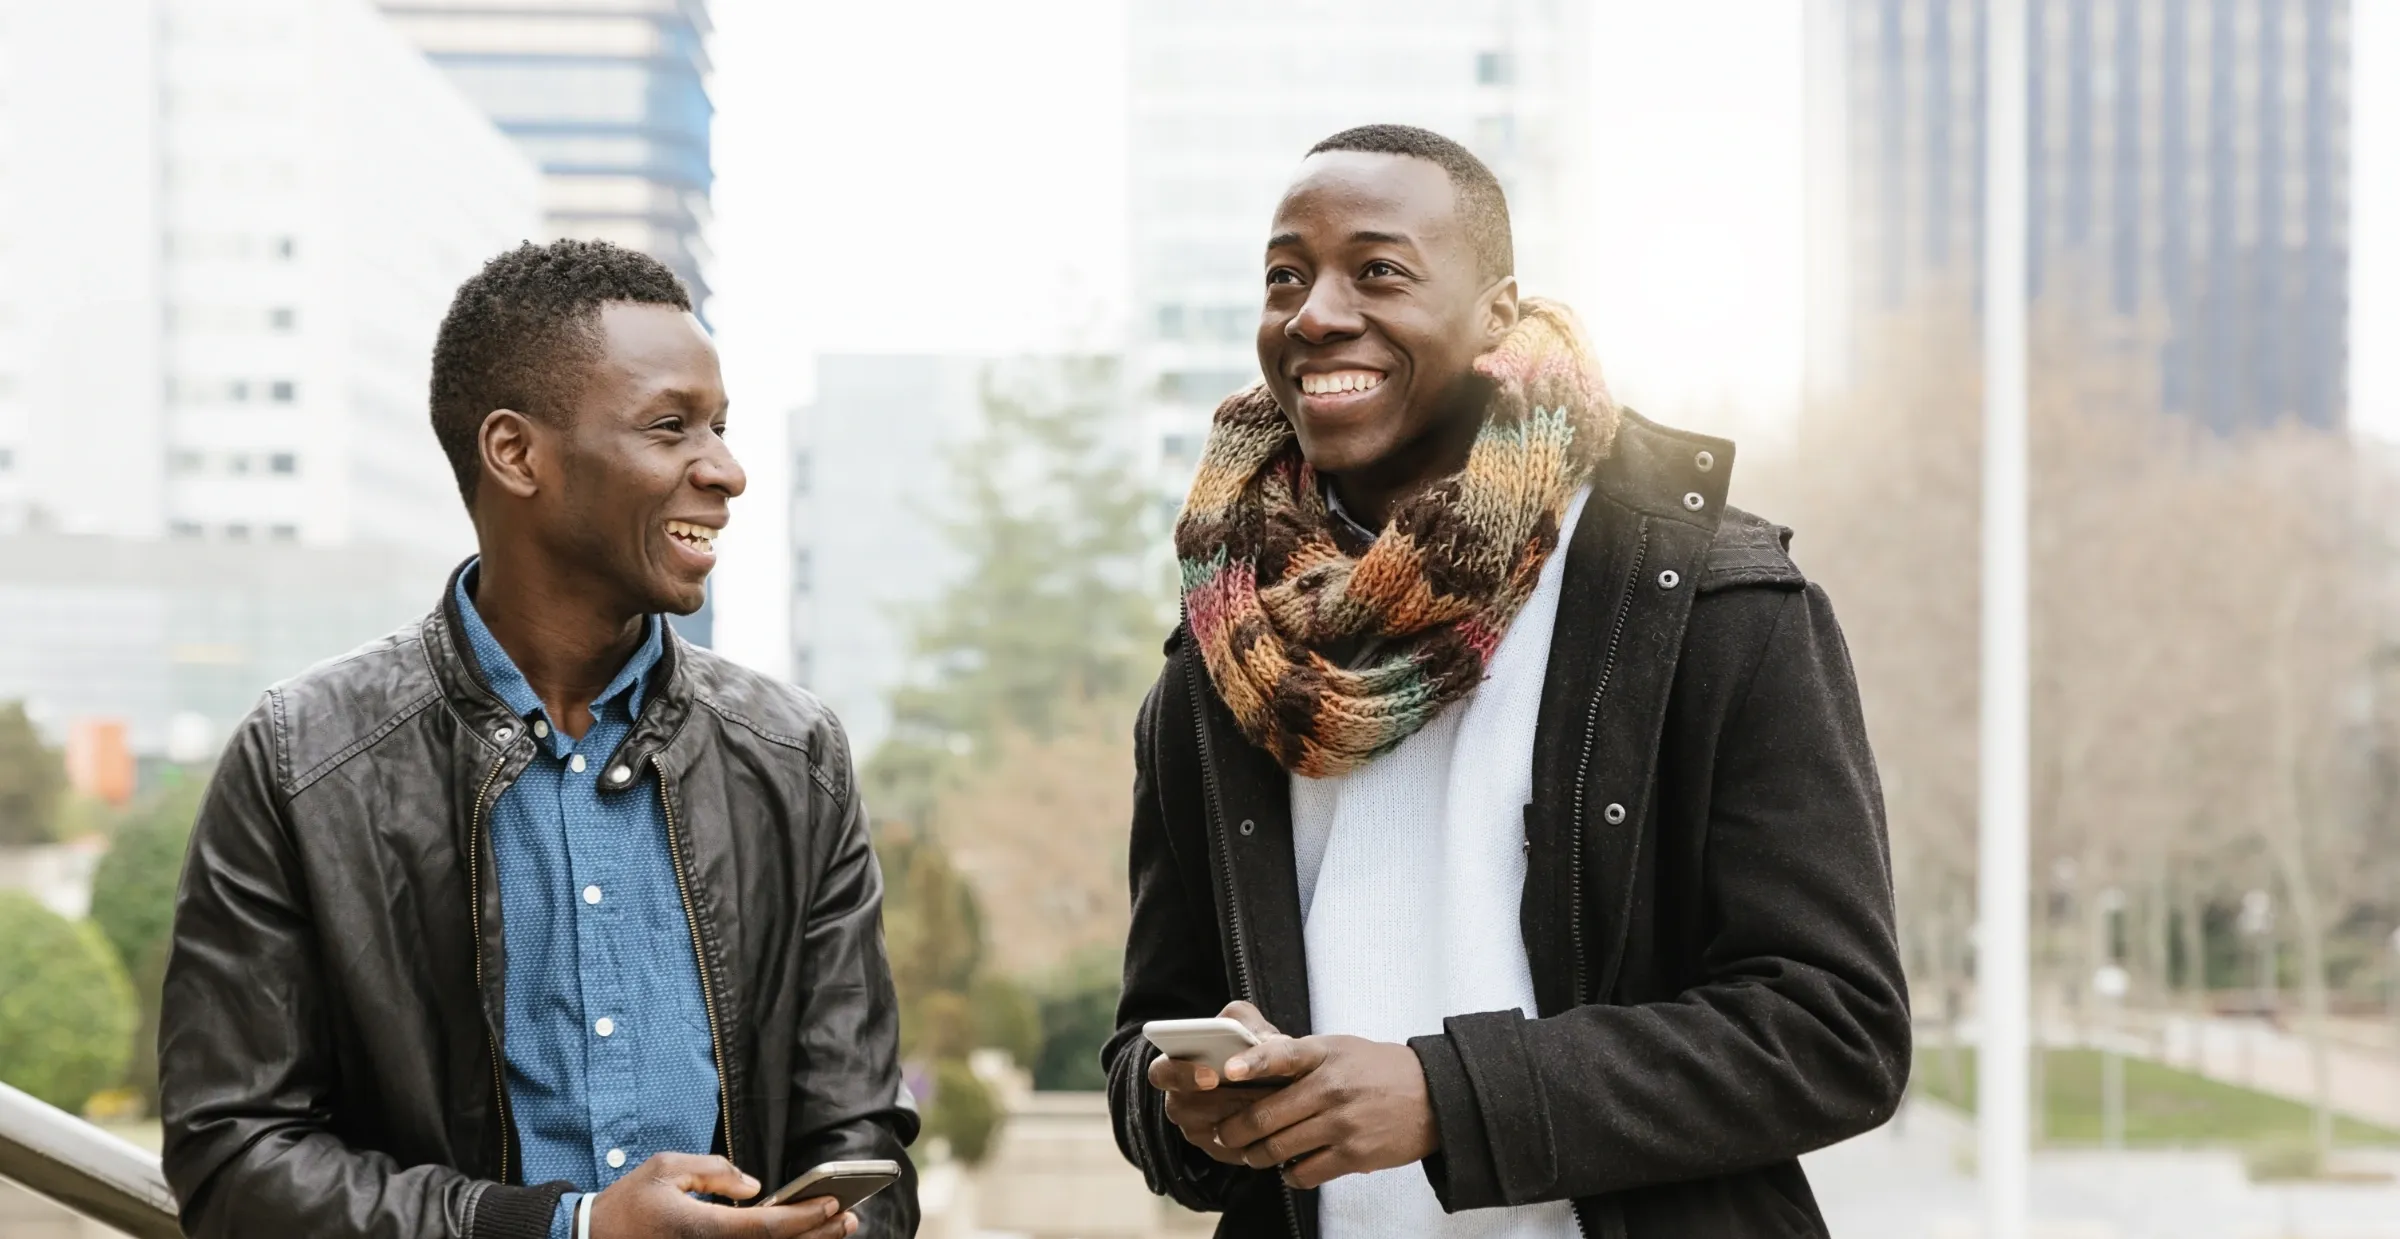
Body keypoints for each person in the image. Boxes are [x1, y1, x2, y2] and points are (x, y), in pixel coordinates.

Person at [1105, 125, 1909, 1237]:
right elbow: (1147, 1034)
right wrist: (1181, 1108)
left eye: (1377, 271)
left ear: (1499, 316)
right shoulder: (1222, 668)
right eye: (1286, 276)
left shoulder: (1712, 608)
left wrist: (1450, 1098)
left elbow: (1835, 1032)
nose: (1316, 313)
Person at [160, 240, 918, 1239]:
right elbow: (233, 1158)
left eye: (722, 428)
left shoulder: (794, 755)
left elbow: (863, 1138)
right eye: (670, 427)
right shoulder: (301, 758)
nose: (727, 471)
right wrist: (572, 1229)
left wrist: (841, 1225)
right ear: (516, 453)